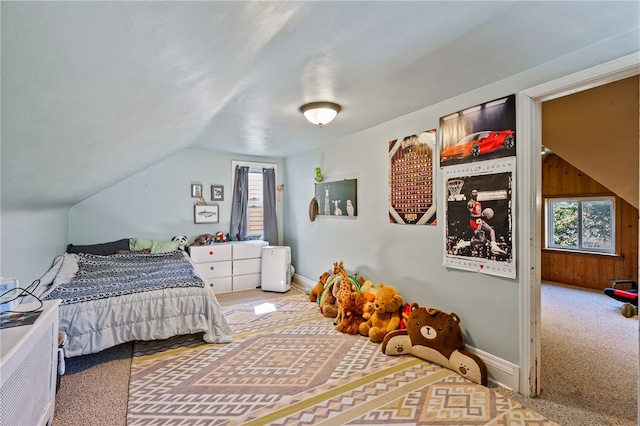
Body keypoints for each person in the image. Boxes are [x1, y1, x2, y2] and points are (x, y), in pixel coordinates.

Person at [454, 189, 506, 255]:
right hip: (474, 221)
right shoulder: (470, 203)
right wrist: (481, 215)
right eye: (473, 195)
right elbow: (470, 215)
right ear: (471, 195)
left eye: (476, 194)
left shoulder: (478, 203)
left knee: (491, 230)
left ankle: (494, 246)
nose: (475, 196)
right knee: (482, 240)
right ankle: (464, 243)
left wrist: (482, 215)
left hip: (479, 219)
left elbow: (479, 213)